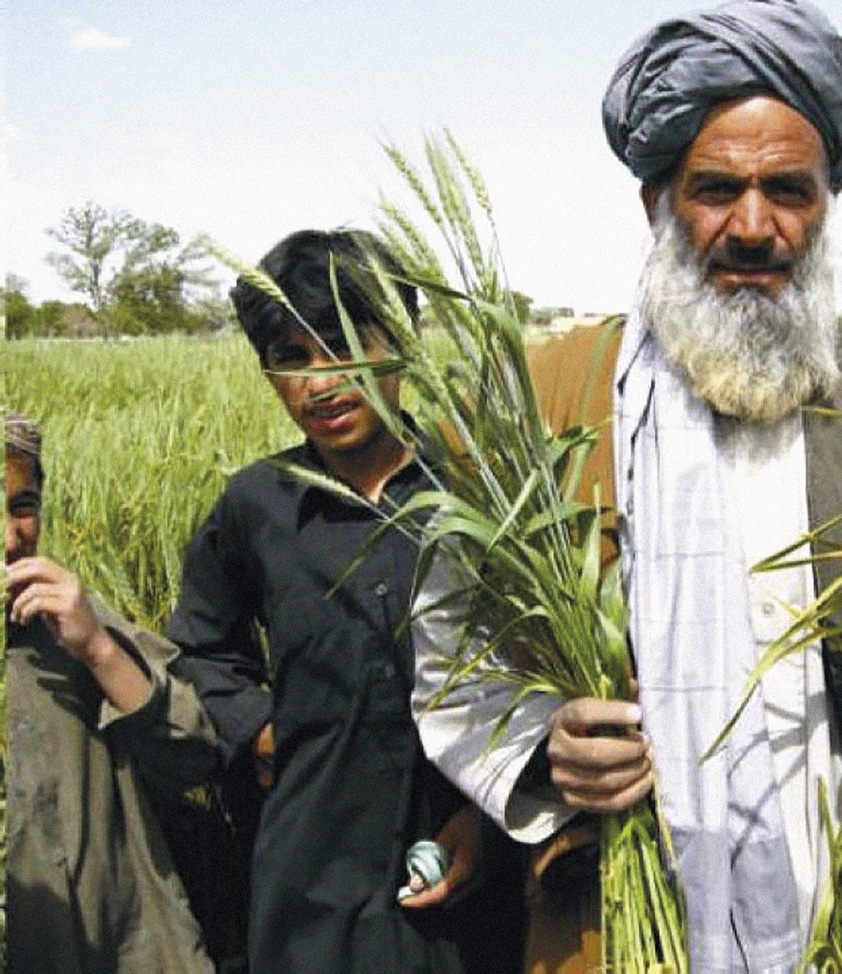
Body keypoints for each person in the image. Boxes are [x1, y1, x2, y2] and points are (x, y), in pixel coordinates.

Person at [411, 2, 842, 973]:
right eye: (715, 189)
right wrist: (545, 750)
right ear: (655, 203)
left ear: (827, 201)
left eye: (787, 189)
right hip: (624, 916)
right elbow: (451, 642)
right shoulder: (539, 404)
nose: (753, 226)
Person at [168, 229, 523, 974]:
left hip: (471, 881)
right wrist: (264, 732)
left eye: (340, 345)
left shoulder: (481, 495)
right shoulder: (255, 506)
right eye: (289, 359)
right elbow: (200, 647)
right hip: (313, 882)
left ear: (399, 340)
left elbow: (540, 673)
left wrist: (493, 819)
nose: (320, 382)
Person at [5, 411, 218, 974]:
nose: (9, 538)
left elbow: (194, 757)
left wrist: (98, 650)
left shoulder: (69, 622)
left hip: (121, 949)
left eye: (22, 508)